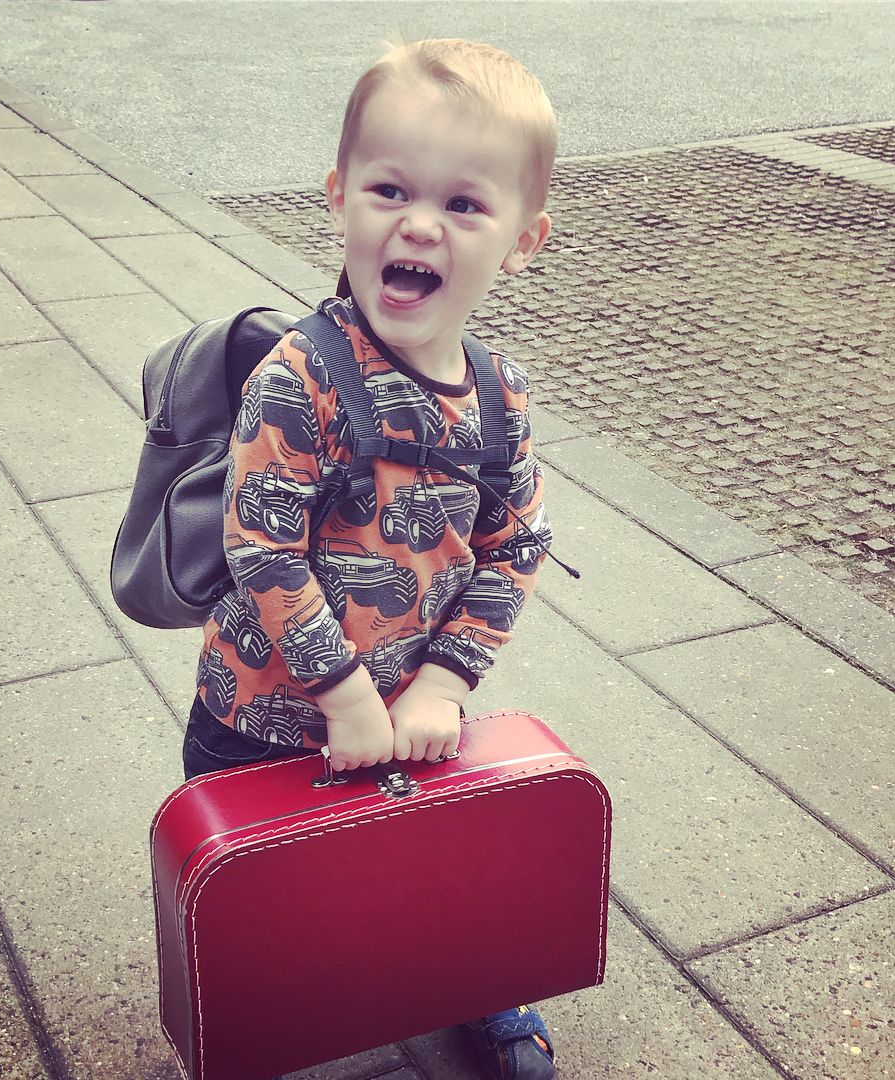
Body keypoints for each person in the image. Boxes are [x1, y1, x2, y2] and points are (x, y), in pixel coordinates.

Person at [185, 37, 559, 1080]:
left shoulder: (499, 395)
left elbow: (518, 544)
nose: (420, 223)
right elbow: (261, 547)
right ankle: (258, 1022)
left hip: (411, 706)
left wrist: (442, 681)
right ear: (339, 196)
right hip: (260, 716)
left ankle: (475, 977)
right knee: (271, 905)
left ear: (522, 241)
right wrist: (343, 696)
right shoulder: (299, 377)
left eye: (465, 204)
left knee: (435, 866)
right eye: (390, 189)